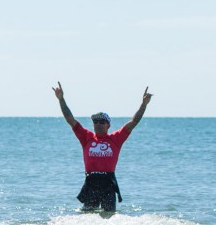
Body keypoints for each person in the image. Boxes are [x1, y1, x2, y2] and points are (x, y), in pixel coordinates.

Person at [52, 82, 152, 212]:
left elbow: (134, 122)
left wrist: (143, 105)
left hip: (108, 184)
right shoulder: (86, 137)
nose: (98, 124)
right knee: (86, 216)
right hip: (91, 183)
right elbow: (70, 119)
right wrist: (61, 99)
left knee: (109, 217)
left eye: (102, 122)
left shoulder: (116, 139)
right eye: (95, 122)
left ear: (108, 125)